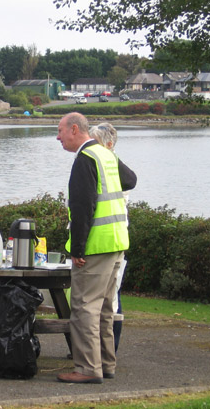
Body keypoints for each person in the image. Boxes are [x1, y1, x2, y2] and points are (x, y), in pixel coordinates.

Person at [56, 112, 137, 384]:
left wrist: (77, 248)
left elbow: (82, 207)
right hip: (117, 242)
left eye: (60, 131)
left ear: (75, 130)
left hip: (95, 245)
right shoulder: (106, 154)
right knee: (104, 308)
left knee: (83, 307)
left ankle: (87, 368)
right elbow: (130, 180)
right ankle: (106, 363)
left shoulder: (85, 159)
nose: (58, 137)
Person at [89, 122, 128, 352]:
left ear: (109, 145)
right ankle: (95, 349)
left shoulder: (111, 165)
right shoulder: (98, 162)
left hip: (110, 240)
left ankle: (109, 347)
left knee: (112, 298)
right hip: (108, 238)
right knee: (103, 298)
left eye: (96, 142)